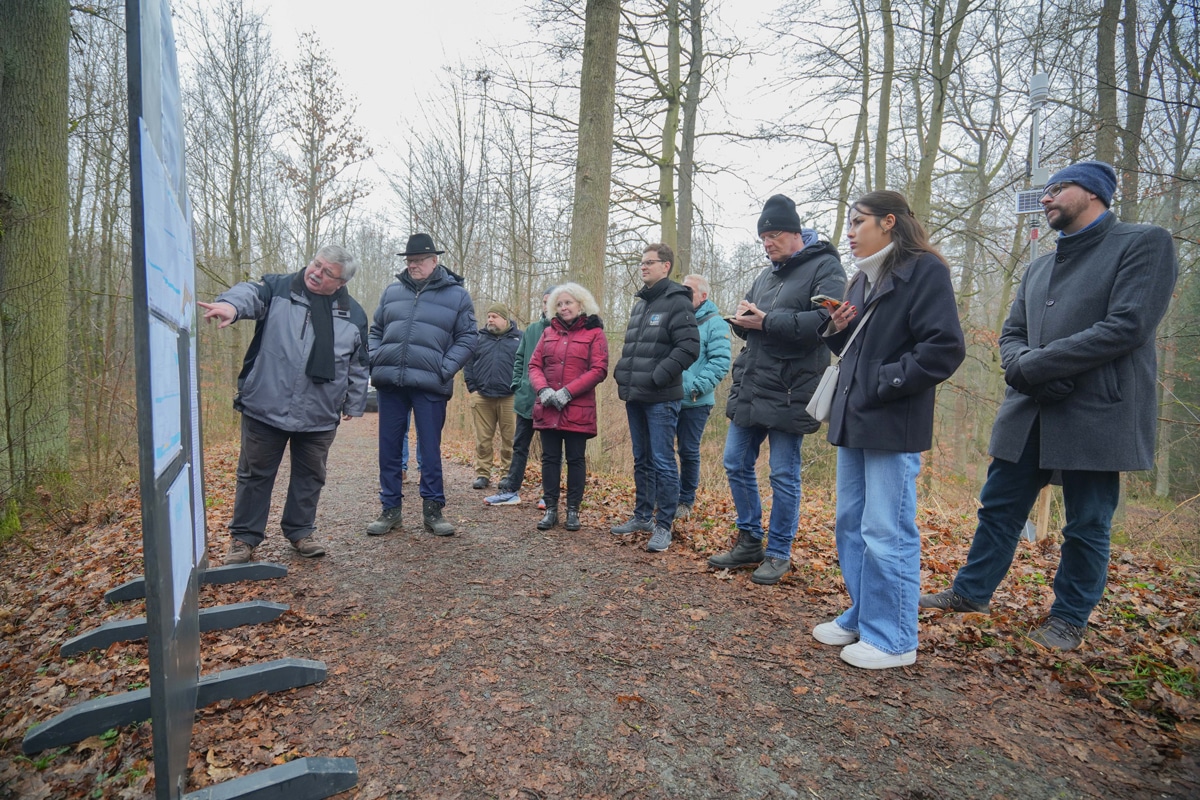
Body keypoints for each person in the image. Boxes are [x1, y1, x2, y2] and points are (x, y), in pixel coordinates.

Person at [920, 160, 1178, 651]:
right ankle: (970, 593)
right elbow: (1013, 334)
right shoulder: (1039, 265)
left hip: (1099, 410)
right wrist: (1024, 368)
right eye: (1045, 191)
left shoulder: (1144, 242)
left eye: (1057, 188)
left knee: (1086, 523)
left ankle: (1068, 618)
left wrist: (1038, 367)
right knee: (997, 508)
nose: (1045, 198)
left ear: (1094, 192)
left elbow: (1128, 326)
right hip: (1030, 406)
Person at [810, 191, 965, 670]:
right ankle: (864, 615)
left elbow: (943, 348)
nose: (850, 232)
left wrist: (883, 380)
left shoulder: (924, 270)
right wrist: (835, 328)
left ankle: (895, 637)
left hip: (892, 419)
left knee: (886, 528)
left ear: (890, 222)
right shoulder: (861, 279)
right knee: (851, 525)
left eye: (859, 222)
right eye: (849, 223)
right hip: (855, 417)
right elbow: (858, 345)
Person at [199, 245, 369, 564]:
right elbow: (248, 294)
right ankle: (244, 539)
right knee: (255, 474)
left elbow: (359, 363)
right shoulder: (277, 288)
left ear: (341, 283)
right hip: (266, 403)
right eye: (316, 264)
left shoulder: (355, 314)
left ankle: (301, 532)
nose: (316, 273)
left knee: (309, 476)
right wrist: (229, 307)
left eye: (327, 272)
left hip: (320, 413)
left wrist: (354, 402)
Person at [707, 194, 846, 585]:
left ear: (796, 232)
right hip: (753, 384)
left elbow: (825, 322)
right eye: (763, 237)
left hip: (792, 388)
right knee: (735, 462)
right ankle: (749, 539)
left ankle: (779, 551)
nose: (768, 243)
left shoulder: (827, 267)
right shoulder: (767, 274)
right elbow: (759, 322)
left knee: (784, 475)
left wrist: (766, 322)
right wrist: (742, 321)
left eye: (775, 235)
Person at [367, 233, 478, 537]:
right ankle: (390, 509)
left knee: (429, 449)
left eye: (418, 260)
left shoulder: (457, 295)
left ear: (434, 261)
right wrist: (375, 356)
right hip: (391, 382)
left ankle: (433, 510)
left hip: (431, 384)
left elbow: (469, 338)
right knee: (389, 449)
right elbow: (375, 330)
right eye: (409, 260)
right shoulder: (392, 292)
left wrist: (444, 368)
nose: (412, 265)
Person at [611, 244, 700, 552]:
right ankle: (642, 516)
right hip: (635, 394)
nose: (643, 267)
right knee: (642, 459)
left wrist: (657, 376)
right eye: (641, 262)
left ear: (666, 266)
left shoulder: (677, 301)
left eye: (649, 262)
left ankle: (664, 526)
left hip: (661, 397)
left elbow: (689, 348)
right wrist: (621, 372)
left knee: (663, 461)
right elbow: (633, 347)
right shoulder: (640, 304)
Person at [527, 283, 609, 531]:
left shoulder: (594, 333)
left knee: (575, 459)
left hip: (578, 408)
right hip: (548, 406)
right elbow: (534, 366)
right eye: (559, 304)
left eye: (568, 303)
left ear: (581, 304)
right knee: (550, 459)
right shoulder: (548, 332)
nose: (563, 308)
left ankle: (573, 510)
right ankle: (550, 509)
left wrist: (568, 392)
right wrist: (543, 390)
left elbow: (599, 369)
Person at [485, 287, 555, 507]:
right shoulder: (533, 329)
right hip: (526, 398)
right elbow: (519, 359)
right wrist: (518, 384)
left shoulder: (565, 332)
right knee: (519, 446)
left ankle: (549, 495)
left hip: (551, 401)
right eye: (544, 302)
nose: (547, 306)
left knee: (550, 451)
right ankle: (510, 490)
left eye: (551, 301)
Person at [676, 274, 732, 520]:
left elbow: (720, 361)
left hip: (696, 400)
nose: (684, 294)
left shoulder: (715, 323)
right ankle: (664, 495)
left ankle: (685, 501)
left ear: (703, 296)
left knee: (688, 451)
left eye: (689, 290)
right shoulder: (676, 319)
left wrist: (696, 387)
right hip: (667, 397)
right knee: (661, 451)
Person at [464, 303, 522, 490]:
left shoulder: (519, 339)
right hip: (482, 396)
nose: (490, 320)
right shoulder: (479, 338)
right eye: (488, 316)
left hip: (510, 397)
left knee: (511, 440)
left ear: (505, 319)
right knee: (483, 440)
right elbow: (468, 364)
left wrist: (520, 388)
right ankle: (483, 474)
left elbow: (527, 364)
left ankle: (508, 475)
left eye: (494, 316)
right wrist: (472, 389)